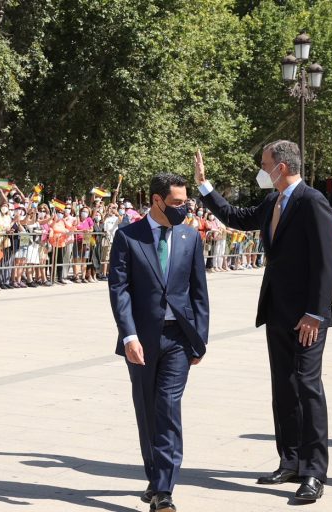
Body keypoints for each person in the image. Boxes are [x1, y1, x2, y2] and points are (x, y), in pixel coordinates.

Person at [196, 140, 332, 501]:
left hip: (307, 316)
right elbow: (236, 218)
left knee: (308, 388)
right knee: (284, 389)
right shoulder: (273, 201)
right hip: (276, 311)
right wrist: (204, 186)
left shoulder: (312, 201)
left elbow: (327, 262)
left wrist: (315, 312)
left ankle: (313, 471)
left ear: (283, 166)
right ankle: (289, 459)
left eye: (265, 163)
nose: (261, 169)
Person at [109, 173, 209, 512]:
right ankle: (154, 477)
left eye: (185, 202)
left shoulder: (190, 236)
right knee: (147, 410)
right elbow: (119, 290)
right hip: (142, 341)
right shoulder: (128, 236)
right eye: (178, 203)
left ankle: (165, 489)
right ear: (157, 200)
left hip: (179, 338)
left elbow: (199, 293)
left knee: (168, 408)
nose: (184, 208)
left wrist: (200, 340)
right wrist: (129, 336)